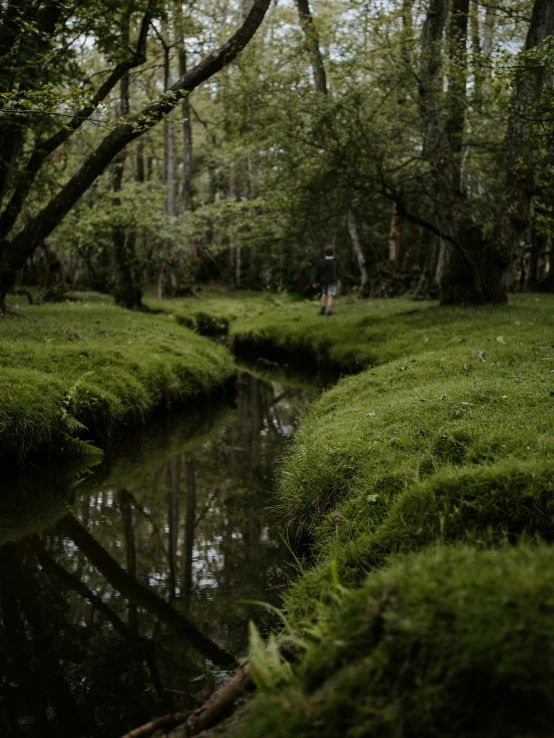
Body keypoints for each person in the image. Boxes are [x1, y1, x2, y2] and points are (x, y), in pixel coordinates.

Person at [312, 244, 339, 316]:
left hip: (323, 280)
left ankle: (323, 307)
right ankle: (329, 310)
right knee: (331, 295)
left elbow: (318, 272)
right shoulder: (335, 261)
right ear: (333, 252)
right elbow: (338, 271)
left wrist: (315, 281)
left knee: (324, 293)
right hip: (332, 280)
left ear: (325, 253)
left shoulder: (321, 261)